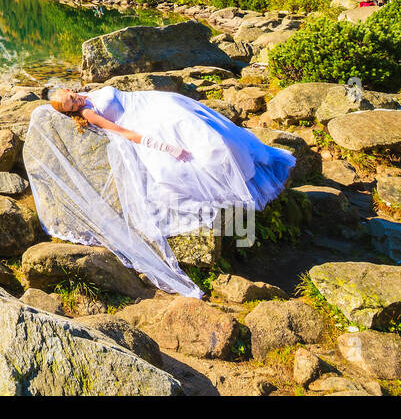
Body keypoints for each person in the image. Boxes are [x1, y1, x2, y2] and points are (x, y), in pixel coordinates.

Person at [25, 85, 296, 296]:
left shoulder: (85, 95)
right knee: (202, 144)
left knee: (206, 126)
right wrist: (163, 147)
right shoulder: (88, 113)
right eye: (72, 103)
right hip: (144, 121)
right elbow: (122, 131)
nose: (76, 99)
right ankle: (236, 178)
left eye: (72, 95)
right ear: (71, 111)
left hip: (151, 102)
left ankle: (245, 163)